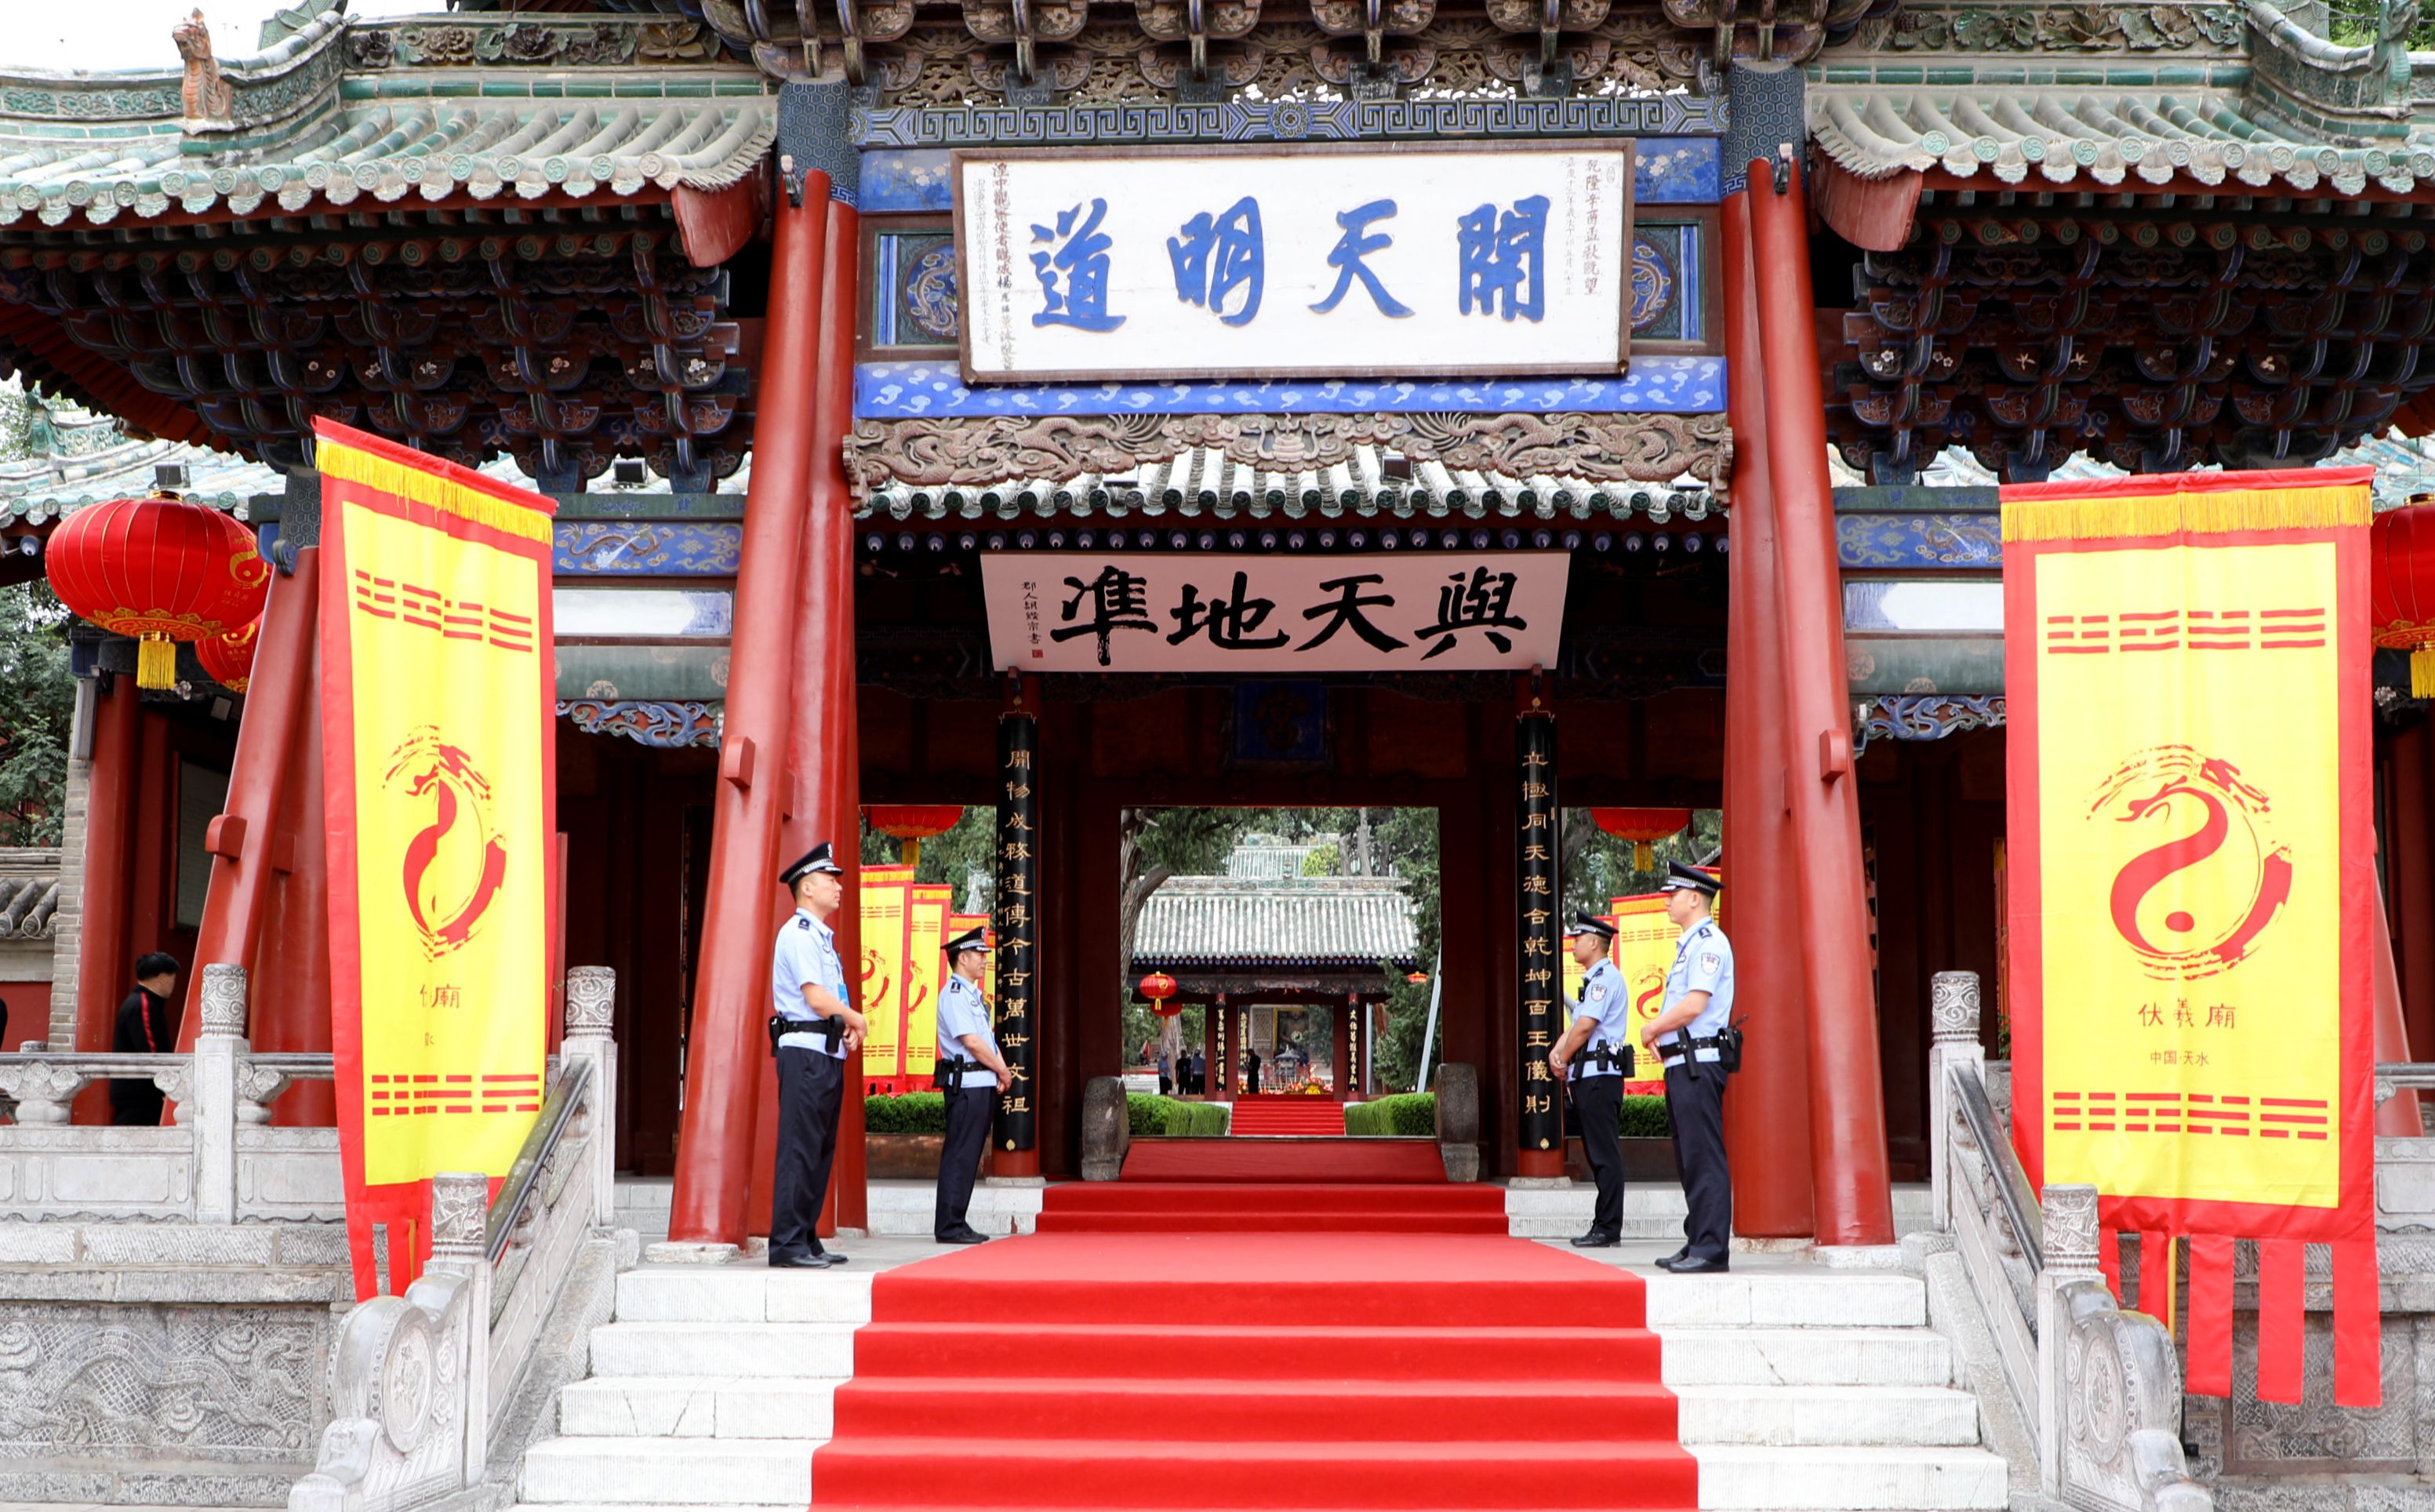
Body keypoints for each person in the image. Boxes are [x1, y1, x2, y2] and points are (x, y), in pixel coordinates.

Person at [768, 842, 869, 1269]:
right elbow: (815, 998)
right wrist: (856, 1019)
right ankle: (787, 1244)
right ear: (807, 887)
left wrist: (844, 1025)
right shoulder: (799, 934)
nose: (837, 887)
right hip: (805, 1055)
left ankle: (806, 1237)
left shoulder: (822, 940)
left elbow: (831, 1000)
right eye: (830, 879)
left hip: (825, 1051)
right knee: (800, 1149)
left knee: (819, 1149)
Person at [1641, 862, 1735, 1274]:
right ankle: (1698, 1238)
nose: (1667, 901)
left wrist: (1652, 1028)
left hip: (1699, 1064)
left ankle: (1712, 1248)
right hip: (1683, 1062)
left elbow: (1695, 1004)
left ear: (1694, 898)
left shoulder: (1709, 943)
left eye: (1673, 894)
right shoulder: (1689, 945)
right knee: (1688, 1157)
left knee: (1704, 1155)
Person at [1547, 914, 1629, 1248]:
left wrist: (1563, 1057)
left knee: (1604, 1154)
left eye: (1578, 938)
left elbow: (1584, 1028)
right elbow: (1575, 1025)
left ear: (1594, 942)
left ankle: (1608, 1227)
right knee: (1598, 1154)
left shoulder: (1604, 979)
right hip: (1588, 1077)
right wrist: (1557, 1052)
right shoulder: (1594, 980)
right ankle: (1603, 1224)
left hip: (1599, 1078)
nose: (1573, 943)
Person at [932, 926, 1011, 1245]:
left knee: (968, 1155)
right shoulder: (954, 994)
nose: (984, 960)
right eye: (979, 954)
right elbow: (973, 1043)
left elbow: (987, 1040)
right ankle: (949, 1225)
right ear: (962, 958)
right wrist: (1002, 1071)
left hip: (981, 1081)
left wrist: (999, 1072)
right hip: (967, 1085)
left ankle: (957, 1220)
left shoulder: (972, 997)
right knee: (960, 1155)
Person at [111, 952, 180, 1125]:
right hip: (139, 1098)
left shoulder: (143, 1002)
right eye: (173, 979)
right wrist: (167, 1086)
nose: (174, 984)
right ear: (162, 978)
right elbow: (151, 1052)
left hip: (140, 1096)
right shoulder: (142, 1005)